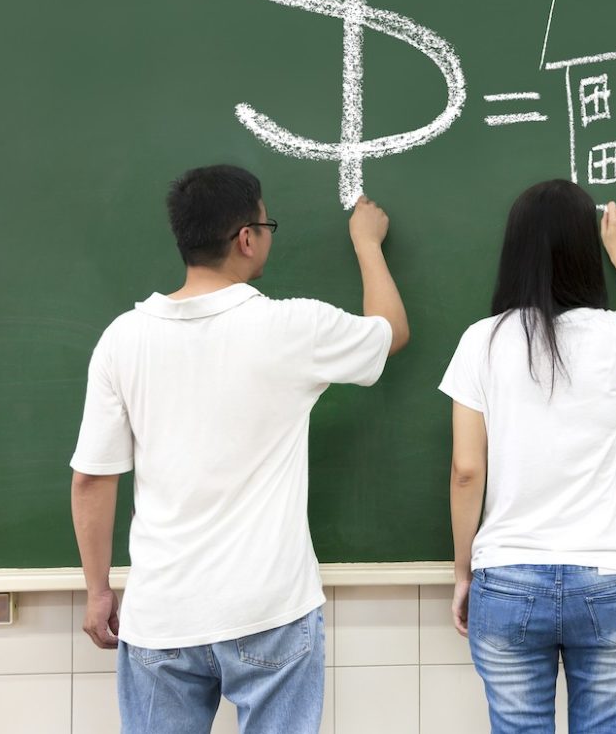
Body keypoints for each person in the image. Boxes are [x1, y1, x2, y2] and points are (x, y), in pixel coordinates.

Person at [70, 164, 408, 734]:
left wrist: (98, 590)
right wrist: (366, 243)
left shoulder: (121, 339)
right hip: (267, 607)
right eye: (267, 223)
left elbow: (92, 480)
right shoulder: (290, 326)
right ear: (247, 239)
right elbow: (390, 330)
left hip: (162, 613)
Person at [439, 181, 616, 733]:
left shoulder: (482, 341)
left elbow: (467, 470)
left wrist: (464, 571)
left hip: (507, 574)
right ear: (584, 251)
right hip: (609, 574)